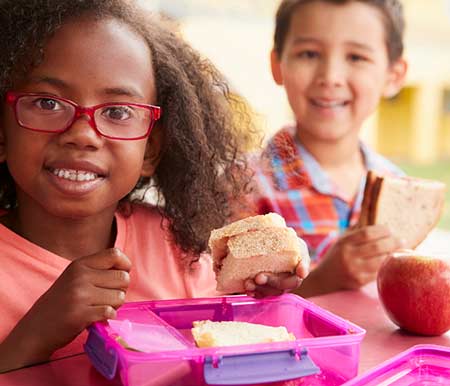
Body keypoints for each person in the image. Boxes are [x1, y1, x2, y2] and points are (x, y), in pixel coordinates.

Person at [0, 0, 309, 372]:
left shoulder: (174, 247)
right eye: (48, 103)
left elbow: (240, 352)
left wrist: (265, 296)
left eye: (117, 112)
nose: (82, 135)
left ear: (152, 148)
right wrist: (35, 335)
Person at [244, 0, 408, 297]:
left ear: (393, 75)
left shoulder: (398, 185)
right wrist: (323, 280)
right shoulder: (244, 185)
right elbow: (230, 307)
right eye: (309, 54)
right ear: (277, 65)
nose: (330, 77)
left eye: (356, 57)